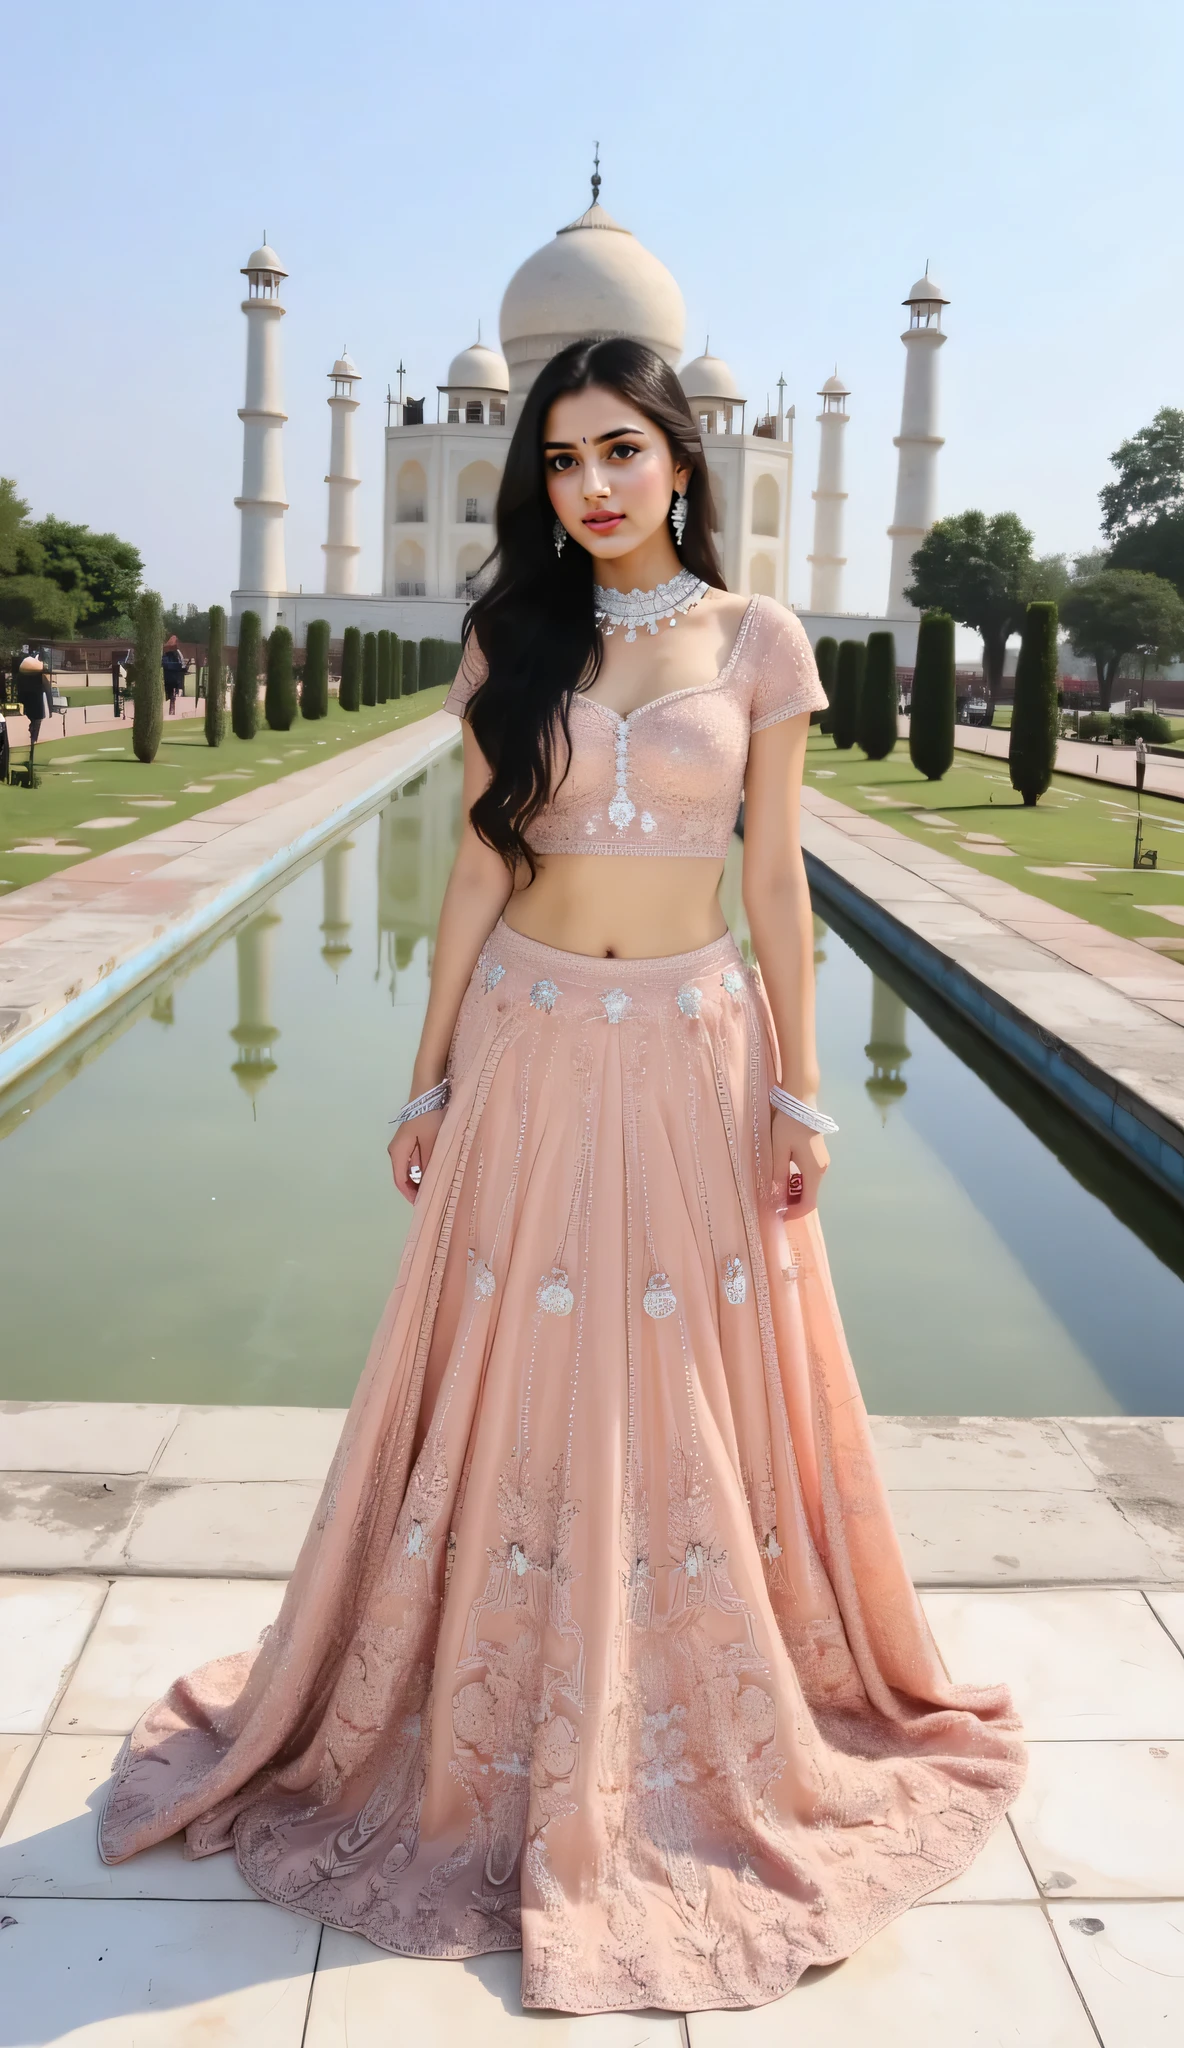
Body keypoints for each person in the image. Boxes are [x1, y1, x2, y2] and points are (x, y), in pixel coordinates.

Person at [98, 339, 1024, 2015]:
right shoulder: (509, 638)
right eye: (559, 460)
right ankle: (487, 1704)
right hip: (527, 1036)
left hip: (689, 1046)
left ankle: (686, 1723)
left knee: (676, 1381)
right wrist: (426, 1068)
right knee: (514, 1382)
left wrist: (802, 1094)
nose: (588, 485)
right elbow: (470, 866)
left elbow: (772, 877)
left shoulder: (755, 641)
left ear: (679, 458)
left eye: (617, 450)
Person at [162, 634, 187, 714]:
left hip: (169, 675)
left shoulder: (165, 653)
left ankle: (171, 707)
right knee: (171, 693)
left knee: (169, 692)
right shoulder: (176, 653)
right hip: (173, 676)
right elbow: (182, 664)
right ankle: (171, 707)